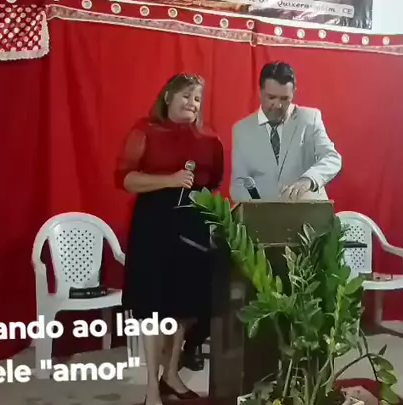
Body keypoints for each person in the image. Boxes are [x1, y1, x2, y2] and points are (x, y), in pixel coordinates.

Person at [115, 73, 224, 405]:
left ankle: (171, 375)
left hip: (191, 226)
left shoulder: (210, 139)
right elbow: (126, 179)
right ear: (168, 97)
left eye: (197, 99)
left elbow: (213, 183)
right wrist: (169, 179)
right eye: (186, 96)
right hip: (154, 226)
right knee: (153, 308)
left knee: (183, 306)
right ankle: (151, 387)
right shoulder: (145, 131)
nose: (192, 103)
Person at [230, 61, 342, 202]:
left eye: (285, 99)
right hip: (264, 214)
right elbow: (240, 183)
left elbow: (332, 158)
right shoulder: (242, 130)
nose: (278, 105)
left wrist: (308, 180)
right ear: (260, 92)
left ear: (293, 93)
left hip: (309, 211)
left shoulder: (310, 118)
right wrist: (258, 208)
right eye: (271, 97)